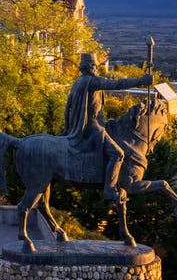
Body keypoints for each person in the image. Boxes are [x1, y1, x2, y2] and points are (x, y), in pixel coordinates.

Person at [62, 53, 153, 200]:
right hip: (92, 126)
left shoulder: (79, 82)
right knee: (118, 154)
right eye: (95, 66)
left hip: (88, 124)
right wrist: (141, 81)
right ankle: (110, 189)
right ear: (91, 67)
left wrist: (68, 127)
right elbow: (117, 84)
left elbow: (68, 108)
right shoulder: (92, 81)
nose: (97, 69)